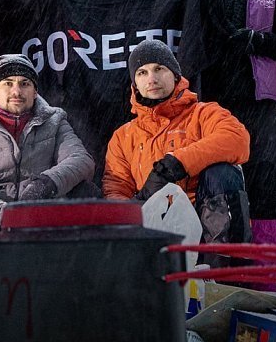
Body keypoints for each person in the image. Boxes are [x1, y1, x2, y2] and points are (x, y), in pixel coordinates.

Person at [0, 54, 96, 276]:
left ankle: (68, 277)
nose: (16, 91)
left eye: (24, 84)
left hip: (40, 213)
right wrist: (4, 213)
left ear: (35, 91)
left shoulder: (54, 119)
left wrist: (45, 185)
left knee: (87, 194)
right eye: (8, 83)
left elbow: (81, 160)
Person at [198, 0, 276, 250]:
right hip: (209, 102)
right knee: (214, 183)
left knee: (264, 183)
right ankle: (222, 260)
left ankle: (266, 268)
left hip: (258, 100)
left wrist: (256, 40)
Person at [102, 40, 252, 243]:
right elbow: (116, 188)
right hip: (154, 228)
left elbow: (237, 139)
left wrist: (177, 163)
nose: (152, 79)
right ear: (134, 84)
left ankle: (224, 258)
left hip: (205, 225)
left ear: (175, 75)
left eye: (159, 69)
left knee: (222, 172)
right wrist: (136, 208)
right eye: (142, 73)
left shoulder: (203, 113)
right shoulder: (123, 136)